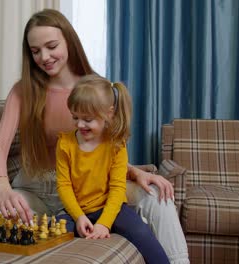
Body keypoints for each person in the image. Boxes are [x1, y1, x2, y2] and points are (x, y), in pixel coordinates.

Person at [0, 8, 189, 264]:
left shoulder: (95, 89)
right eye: (35, 51)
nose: (44, 57)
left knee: (159, 197)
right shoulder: (23, 91)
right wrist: (2, 188)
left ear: (69, 40)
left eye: (51, 46)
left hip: (89, 188)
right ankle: (57, 223)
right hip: (35, 191)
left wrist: (136, 172)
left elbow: (101, 155)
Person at [55, 75, 169, 264]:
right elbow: (64, 186)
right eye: (75, 117)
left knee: (141, 232)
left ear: (108, 114)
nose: (79, 124)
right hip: (77, 210)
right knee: (50, 229)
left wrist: (104, 223)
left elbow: (117, 188)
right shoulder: (64, 144)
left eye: (87, 119)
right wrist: (79, 217)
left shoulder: (116, 144)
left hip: (111, 209)